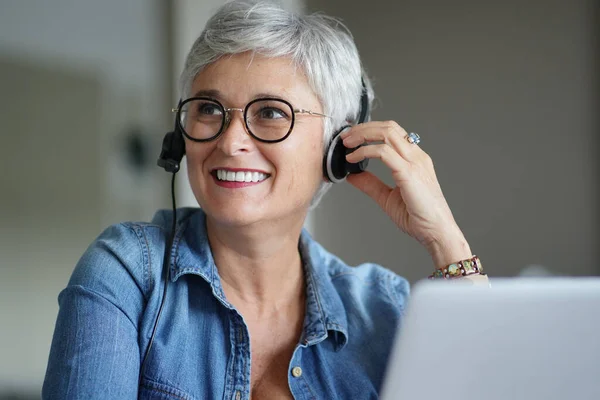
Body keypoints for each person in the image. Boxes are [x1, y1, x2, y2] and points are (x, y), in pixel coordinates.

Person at [42, 1, 488, 399]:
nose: (231, 141)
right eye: (209, 109)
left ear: (339, 146)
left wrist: (445, 238)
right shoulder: (126, 274)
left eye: (271, 112)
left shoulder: (383, 308)